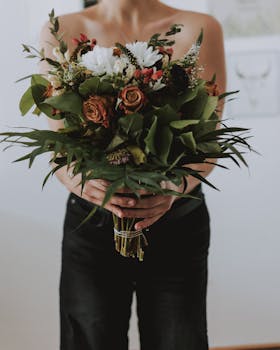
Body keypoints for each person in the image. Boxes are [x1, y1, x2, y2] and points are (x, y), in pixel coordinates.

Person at [39, 1, 226, 349]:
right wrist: (83, 183)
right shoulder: (60, 30)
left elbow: (208, 141)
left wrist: (172, 189)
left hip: (177, 220)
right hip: (93, 220)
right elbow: (60, 148)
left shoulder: (200, 27)